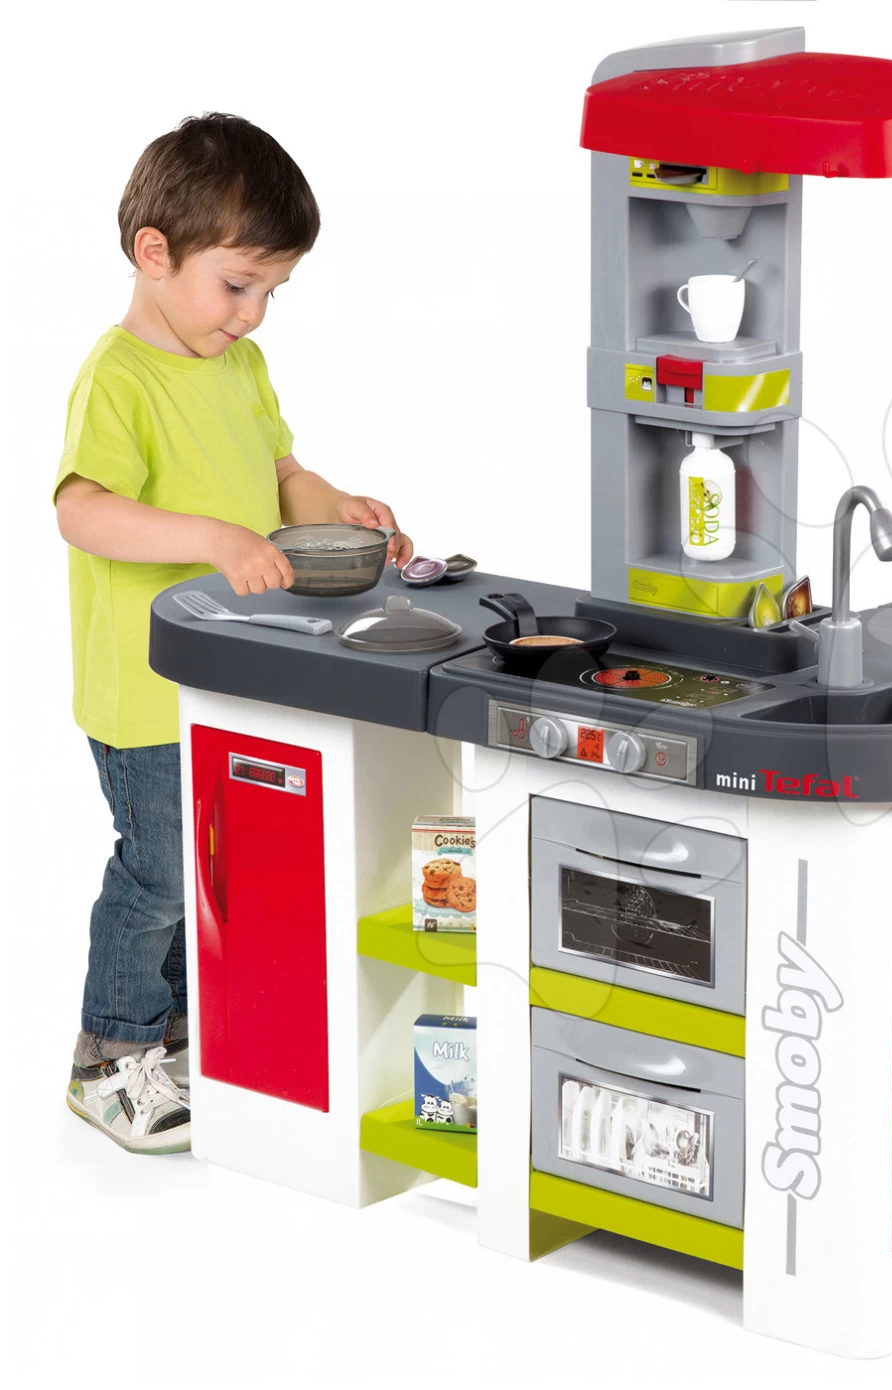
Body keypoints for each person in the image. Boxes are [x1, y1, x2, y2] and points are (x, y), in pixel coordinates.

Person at [55, 113, 413, 1152]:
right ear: (154, 253)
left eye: (271, 293)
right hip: (146, 694)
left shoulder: (238, 368)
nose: (252, 316)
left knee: (214, 871)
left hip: (236, 682)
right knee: (160, 872)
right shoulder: (119, 377)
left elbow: (281, 472)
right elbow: (81, 510)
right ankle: (108, 1056)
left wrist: (335, 505)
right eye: (238, 285)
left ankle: (171, 1034)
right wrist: (212, 538)